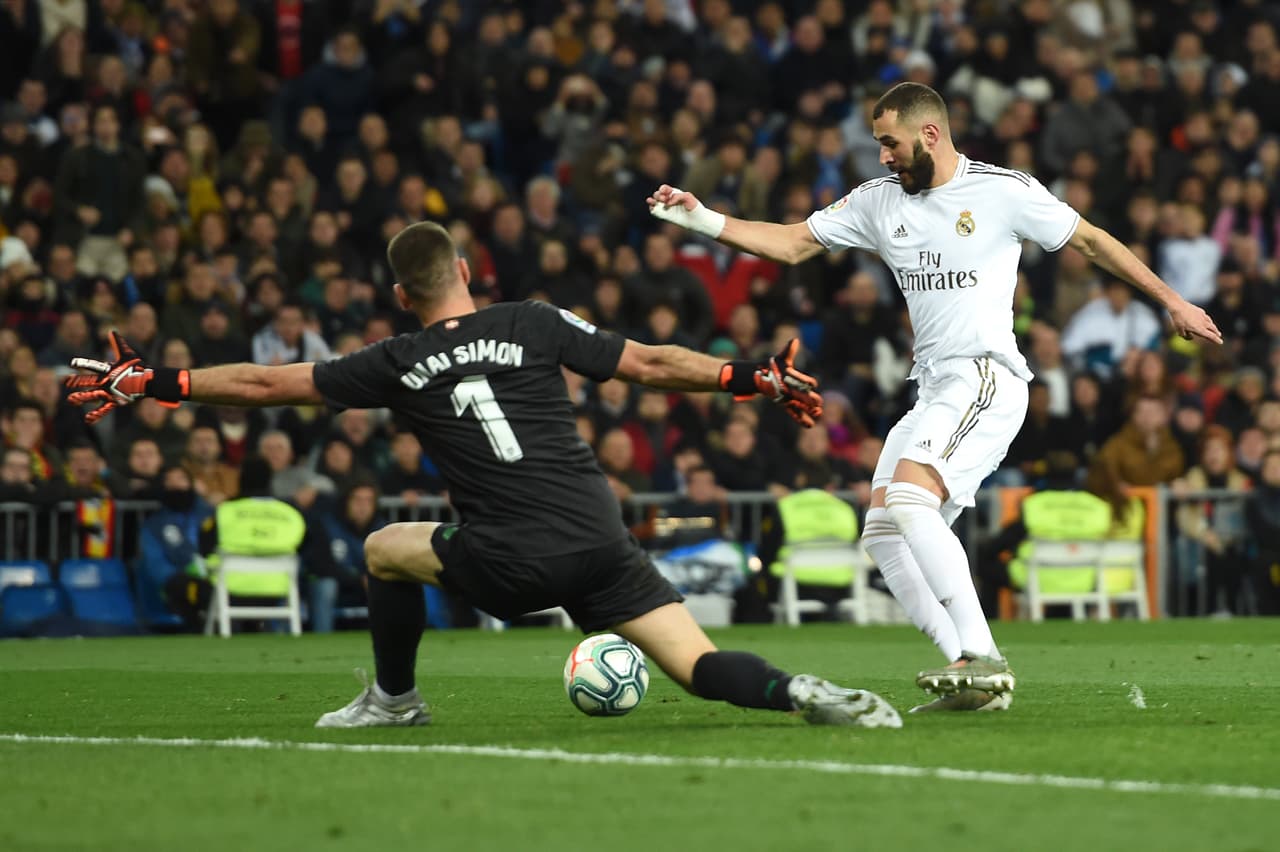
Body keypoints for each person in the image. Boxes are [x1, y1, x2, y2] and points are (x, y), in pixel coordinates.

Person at [65, 220, 900, 729]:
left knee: (386, 545)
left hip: (511, 559)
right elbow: (648, 363)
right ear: (466, 269)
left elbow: (262, 383)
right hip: (600, 538)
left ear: (401, 295)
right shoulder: (533, 322)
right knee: (699, 666)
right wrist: (751, 376)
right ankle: (796, 689)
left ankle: (394, 700)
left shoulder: (396, 358)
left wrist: (154, 383)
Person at [648, 81, 1222, 712]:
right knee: (884, 532)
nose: (883, 157)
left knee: (912, 498)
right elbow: (792, 244)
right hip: (934, 386)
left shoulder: (1002, 191)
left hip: (985, 376)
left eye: (889, 143)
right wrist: (700, 219)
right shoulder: (877, 202)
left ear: (929, 134)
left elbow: (1089, 240)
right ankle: (976, 685)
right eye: (877, 146)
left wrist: (1172, 302)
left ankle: (981, 655)